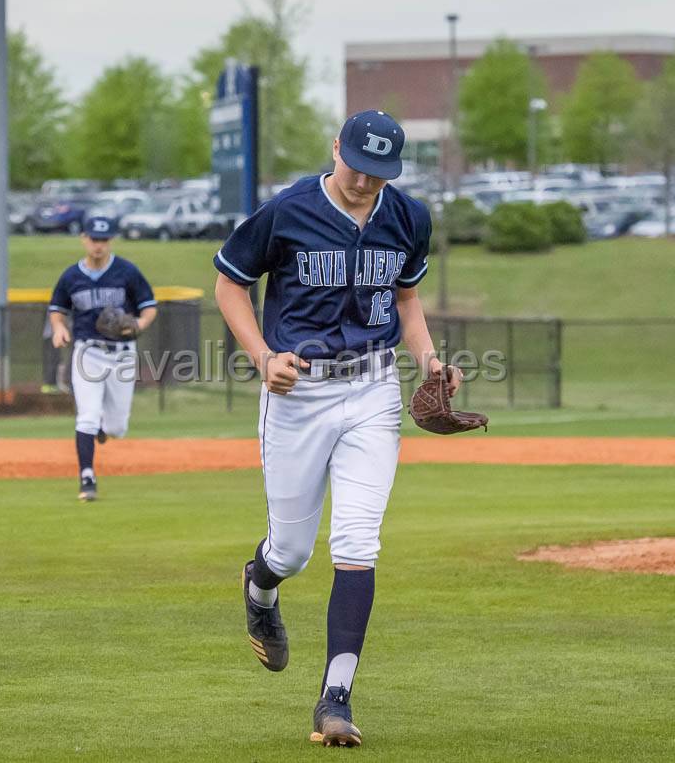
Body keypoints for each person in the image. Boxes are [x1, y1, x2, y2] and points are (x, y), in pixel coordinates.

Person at [213, 110, 459, 746]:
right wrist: (263, 358)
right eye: (356, 167)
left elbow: (406, 299)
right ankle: (260, 585)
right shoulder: (288, 211)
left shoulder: (407, 217)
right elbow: (230, 285)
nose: (364, 183)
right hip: (298, 393)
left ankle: (335, 698)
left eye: (379, 174)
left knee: (357, 542)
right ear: (334, 150)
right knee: (290, 552)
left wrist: (430, 363)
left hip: (374, 388)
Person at [48, 216, 157, 501]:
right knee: (87, 415)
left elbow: (149, 307)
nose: (99, 245)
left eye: (104, 239)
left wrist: (138, 325)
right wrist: (59, 327)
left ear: (111, 241)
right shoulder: (71, 276)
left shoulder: (126, 271)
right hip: (87, 352)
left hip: (121, 355)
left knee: (117, 427)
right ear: (84, 238)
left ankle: (101, 429)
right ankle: (87, 478)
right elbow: (57, 309)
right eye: (94, 239)